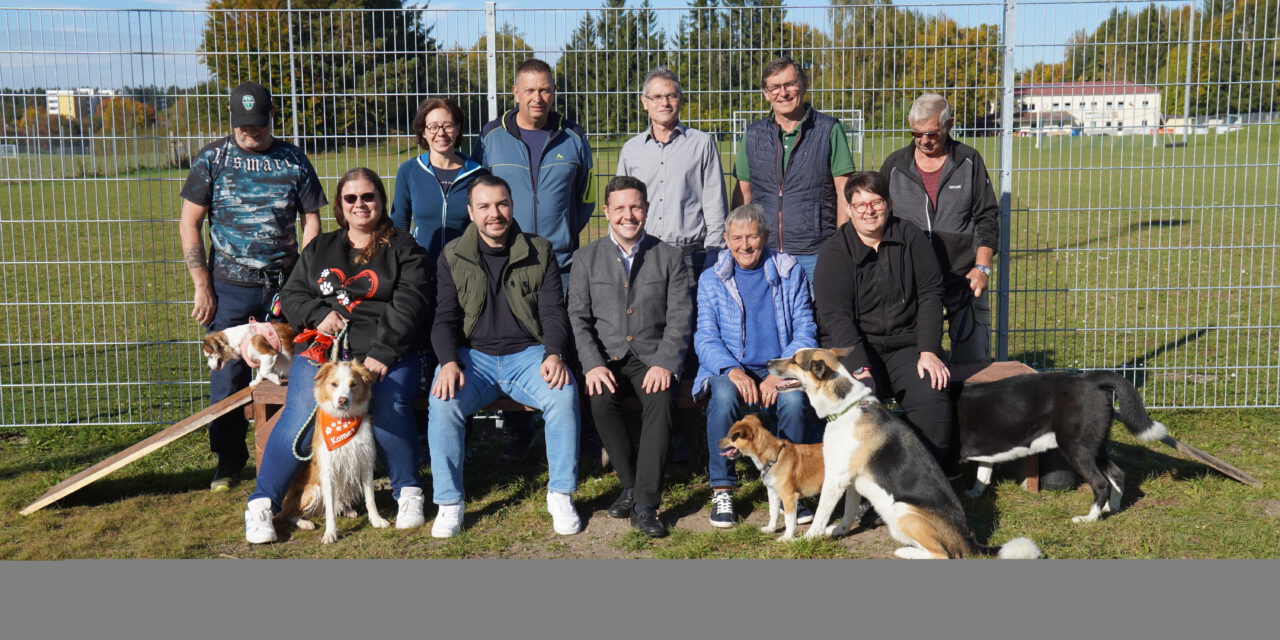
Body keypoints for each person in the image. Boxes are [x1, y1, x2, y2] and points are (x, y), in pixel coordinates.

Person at [242, 168, 430, 544]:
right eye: (350, 199)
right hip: (324, 352)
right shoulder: (320, 248)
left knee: (390, 402)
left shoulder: (404, 248)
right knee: (301, 416)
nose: (360, 205)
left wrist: (381, 351)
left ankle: (408, 493)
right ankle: (262, 505)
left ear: (381, 200)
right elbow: (292, 296)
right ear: (341, 207)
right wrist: (318, 314)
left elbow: (411, 303)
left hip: (385, 353)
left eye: (368, 197)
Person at [178, 82, 327, 492]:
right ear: (231, 120)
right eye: (243, 127)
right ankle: (228, 461)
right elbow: (190, 222)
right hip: (229, 285)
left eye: (258, 126)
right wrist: (201, 285)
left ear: (271, 118)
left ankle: (290, 451)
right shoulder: (213, 159)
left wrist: (305, 276)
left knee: (290, 367)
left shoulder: (294, 160)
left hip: (284, 287)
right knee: (226, 375)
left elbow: (311, 219)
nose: (251, 133)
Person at [426, 174, 581, 538]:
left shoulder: (539, 250)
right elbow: (444, 318)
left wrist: (555, 353)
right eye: (484, 206)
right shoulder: (452, 255)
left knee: (563, 394)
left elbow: (554, 313)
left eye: (501, 204)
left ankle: (560, 494)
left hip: (529, 355)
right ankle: (449, 502)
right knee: (443, 400)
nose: (494, 213)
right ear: (470, 212)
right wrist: (448, 361)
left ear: (512, 206)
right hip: (473, 358)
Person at [474, 58, 594, 462]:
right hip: (510, 263)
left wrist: (562, 237)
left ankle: (577, 433)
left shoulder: (573, 137)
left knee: (568, 343)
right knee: (517, 340)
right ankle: (517, 434)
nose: (537, 98)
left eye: (545, 89)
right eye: (529, 90)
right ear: (515, 93)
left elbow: (581, 201)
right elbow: (482, 193)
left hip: (561, 263)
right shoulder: (492, 137)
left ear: (554, 91)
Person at [567, 176, 693, 538]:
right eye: (620, 208)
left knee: (661, 399)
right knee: (599, 399)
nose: (628, 215)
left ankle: (646, 503)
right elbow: (577, 317)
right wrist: (591, 364)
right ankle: (630, 482)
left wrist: (666, 362)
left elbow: (680, 316)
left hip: (651, 355)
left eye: (635, 207)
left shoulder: (669, 257)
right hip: (606, 356)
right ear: (606, 212)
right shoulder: (586, 258)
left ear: (647, 209)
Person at [813, 171, 955, 474]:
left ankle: (920, 480)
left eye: (875, 202)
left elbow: (931, 294)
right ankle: (868, 486)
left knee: (933, 402)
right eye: (860, 204)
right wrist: (859, 367)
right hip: (857, 349)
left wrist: (929, 351)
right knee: (860, 413)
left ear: (888, 203)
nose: (869, 210)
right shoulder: (835, 251)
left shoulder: (910, 237)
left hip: (908, 345)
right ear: (849, 209)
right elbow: (836, 316)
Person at [693, 204, 819, 528]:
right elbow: (705, 336)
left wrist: (779, 374)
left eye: (752, 237)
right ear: (726, 239)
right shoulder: (711, 279)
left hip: (780, 365)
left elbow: (806, 329)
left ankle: (791, 485)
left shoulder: (790, 271)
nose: (745, 245)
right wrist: (732, 370)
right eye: (737, 238)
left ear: (765, 236)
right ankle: (723, 487)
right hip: (730, 366)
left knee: (792, 400)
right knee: (722, 399)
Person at [880, 93, 999, 365]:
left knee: (974, 362)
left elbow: (987, 217)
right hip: (909, 282)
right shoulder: (895, 165)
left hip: (964, 277)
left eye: (932, 134)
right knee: (915, 360)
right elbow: (880, 218)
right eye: (916, 133)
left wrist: (982, 268)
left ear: (949, 125)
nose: (923, 141)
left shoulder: (969, 160)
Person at [732, 57, 856, 283]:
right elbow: (743, 193)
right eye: (775, 87)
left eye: (790, 84)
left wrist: (841, 242)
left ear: (803, 85)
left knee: (815, 316)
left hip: (815, 252)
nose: (784, 93)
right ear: (766, 93)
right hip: (763, 252)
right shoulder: (753, 135)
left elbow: (844, 192)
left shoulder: (829, 130)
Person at [616, 66, 727, 280]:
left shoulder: (702, 144)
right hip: (642, 255)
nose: (664, 103)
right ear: (644, 102)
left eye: (670, 96)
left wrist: (714, 254)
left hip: (690, 258)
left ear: (680, 99)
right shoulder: (631, 150)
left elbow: (715, 205)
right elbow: (620, 207)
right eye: (656, 97)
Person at [391, 97, 490, 268]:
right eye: (433, 127)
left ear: (458, 129)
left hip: (466, 269)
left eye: (448, 125)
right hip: (421, 268)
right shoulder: (409, 171)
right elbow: (399, 224)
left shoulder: (478, 174)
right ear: (423, 131)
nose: (441, 133)